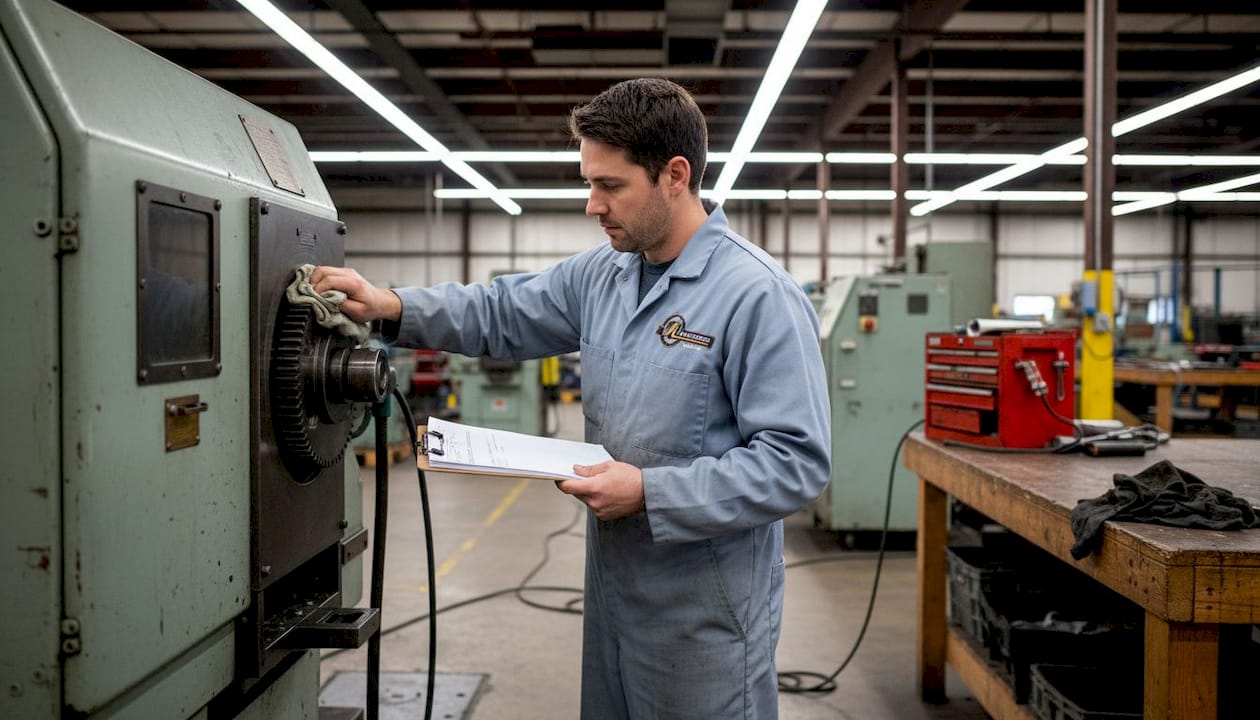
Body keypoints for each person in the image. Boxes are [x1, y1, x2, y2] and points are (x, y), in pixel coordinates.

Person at [312, 77, 830, 720]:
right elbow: (501, 311)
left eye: (610, 185)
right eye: (589, 183)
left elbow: (796, 463)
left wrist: (651, 492)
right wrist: (392, 304)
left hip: (704, 612)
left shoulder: (757, 295)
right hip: (613, 590)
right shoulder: (604, 273)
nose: (592, 205)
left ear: (675, 175)